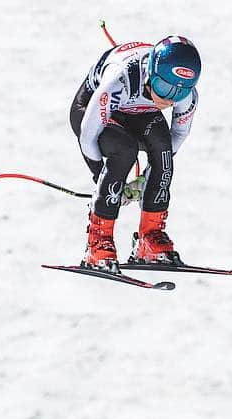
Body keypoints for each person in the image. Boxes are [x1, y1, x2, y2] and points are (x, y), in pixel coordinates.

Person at [70, 35, 201, 272]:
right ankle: (98, 241)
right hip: (95, 110)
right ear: (150, 72)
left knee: (163, 151)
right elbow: (87, 137)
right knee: (124, 151)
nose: (168, 99)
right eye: (163, 87)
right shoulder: (119, 78)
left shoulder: (184, 92)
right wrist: (102, 178)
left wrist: (146, 179)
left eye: (178, 94)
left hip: (140, 110)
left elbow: (177, 137)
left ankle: (150, 238)